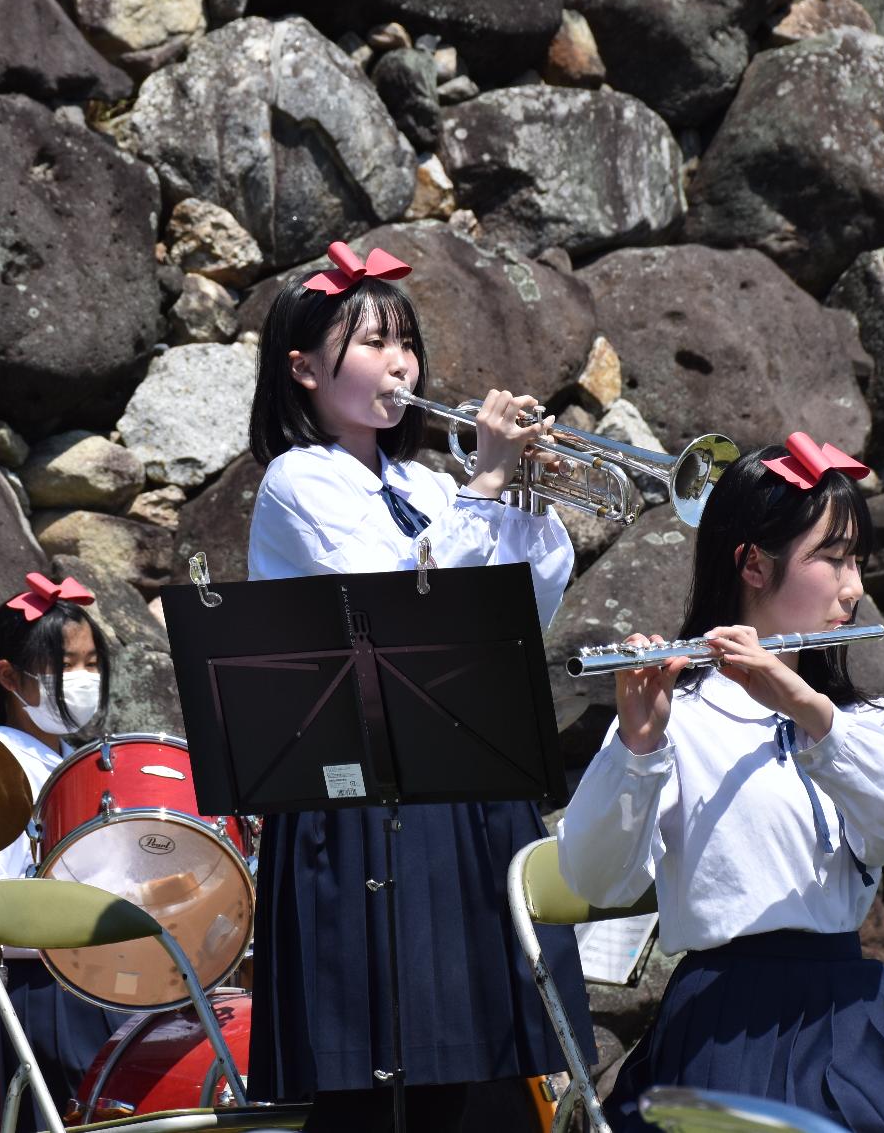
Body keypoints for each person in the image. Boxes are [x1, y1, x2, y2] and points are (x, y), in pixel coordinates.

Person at [556, 436, 884, 1131]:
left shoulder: (861, 722)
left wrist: (803, 704)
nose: (854, 588)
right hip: (730, 1022)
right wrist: (640, 747)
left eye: (857, 560)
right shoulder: (677, 716)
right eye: (832, 558)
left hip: (853, 1007)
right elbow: (597, 881)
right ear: (754, 564)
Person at [244, 240, 594, 1133]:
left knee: (476, 1057)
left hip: (456, 781)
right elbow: (396, 603)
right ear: (304, 370)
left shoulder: (426, 483)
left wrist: (524, 496)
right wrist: (485, 477)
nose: (400, 362)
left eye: (406, 342)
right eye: (371, 343)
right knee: (378, 1064)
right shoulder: (298, 482)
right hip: (352, 796)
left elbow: (515, 607)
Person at [0, 572, 126, 1127]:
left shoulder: (79, 761)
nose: (84, 678)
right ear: (8, 676)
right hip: (43, 992)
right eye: (65, 664)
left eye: (93, 663)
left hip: (107, 985)